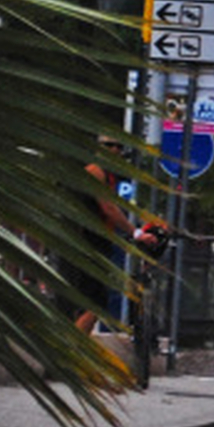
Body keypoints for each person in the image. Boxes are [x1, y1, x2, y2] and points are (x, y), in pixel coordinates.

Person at [71, 136, 139, 334]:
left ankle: (75, 352)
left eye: (118, 146)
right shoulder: (95, 172)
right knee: (94, 303)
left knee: (91, 302)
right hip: (88, 243)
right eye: (108, 145)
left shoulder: (109, 176)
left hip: (97, 242)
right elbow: (108, 208)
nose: (114, 150)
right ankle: (73, 353)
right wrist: (134, 232)